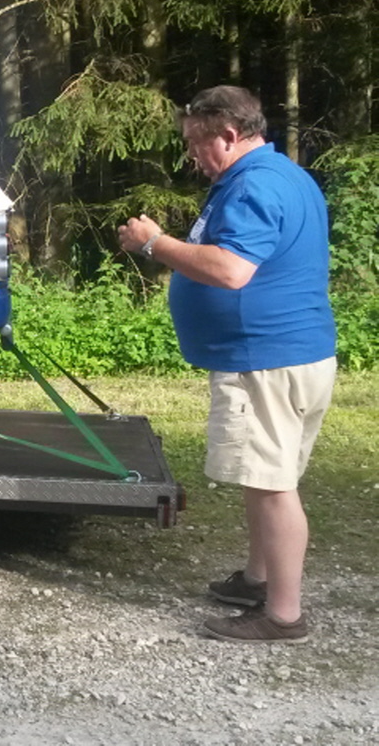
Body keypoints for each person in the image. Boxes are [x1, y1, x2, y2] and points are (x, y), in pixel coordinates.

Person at [118, 86, 336, 644]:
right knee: (266, 476)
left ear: (230, 135)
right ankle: (257, 581)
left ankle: (283, 616)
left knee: (272, 487)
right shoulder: (283, 175)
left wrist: (153, 243)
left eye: (196, 142)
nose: (191, 154)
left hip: (264, 358)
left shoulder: (255, 184)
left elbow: (230, 270)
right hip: (291, 354)